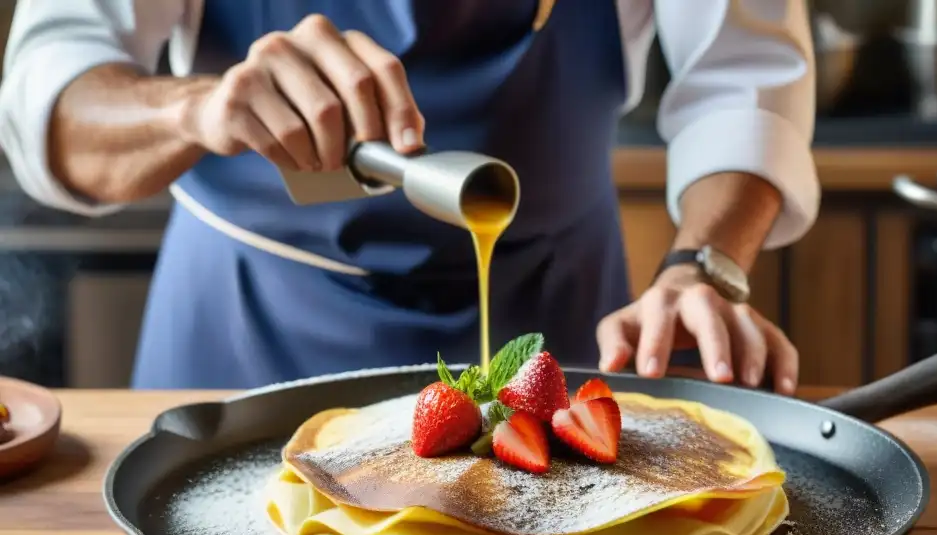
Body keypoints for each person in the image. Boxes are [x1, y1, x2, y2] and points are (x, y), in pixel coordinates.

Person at [0, 0, 819, 392]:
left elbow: (741, 79)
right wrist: (195, 107)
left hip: (556, 338)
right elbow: (51, 95)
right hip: (241, 344)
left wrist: (702, 268)